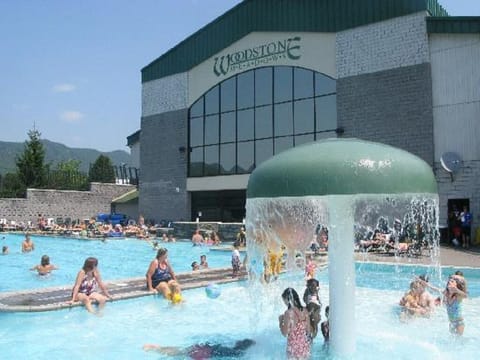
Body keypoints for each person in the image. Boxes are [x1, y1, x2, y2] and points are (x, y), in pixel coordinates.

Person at [279, 287, 312, 359]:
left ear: (288, 300)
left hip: (293, 347)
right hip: (304, 346)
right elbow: (308, 331)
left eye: (284, 300)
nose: (284, 303)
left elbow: (284, 333)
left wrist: (281, 322)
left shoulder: (288, 313)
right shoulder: (305, 310)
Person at [143, 338, 255, 358]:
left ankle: (157, 347)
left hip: (205, 348)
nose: (237, 341)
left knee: (181, 351)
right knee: (180, 352)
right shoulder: (237, 353)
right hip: (205, 352)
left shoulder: (231, 350)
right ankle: (156, 348)